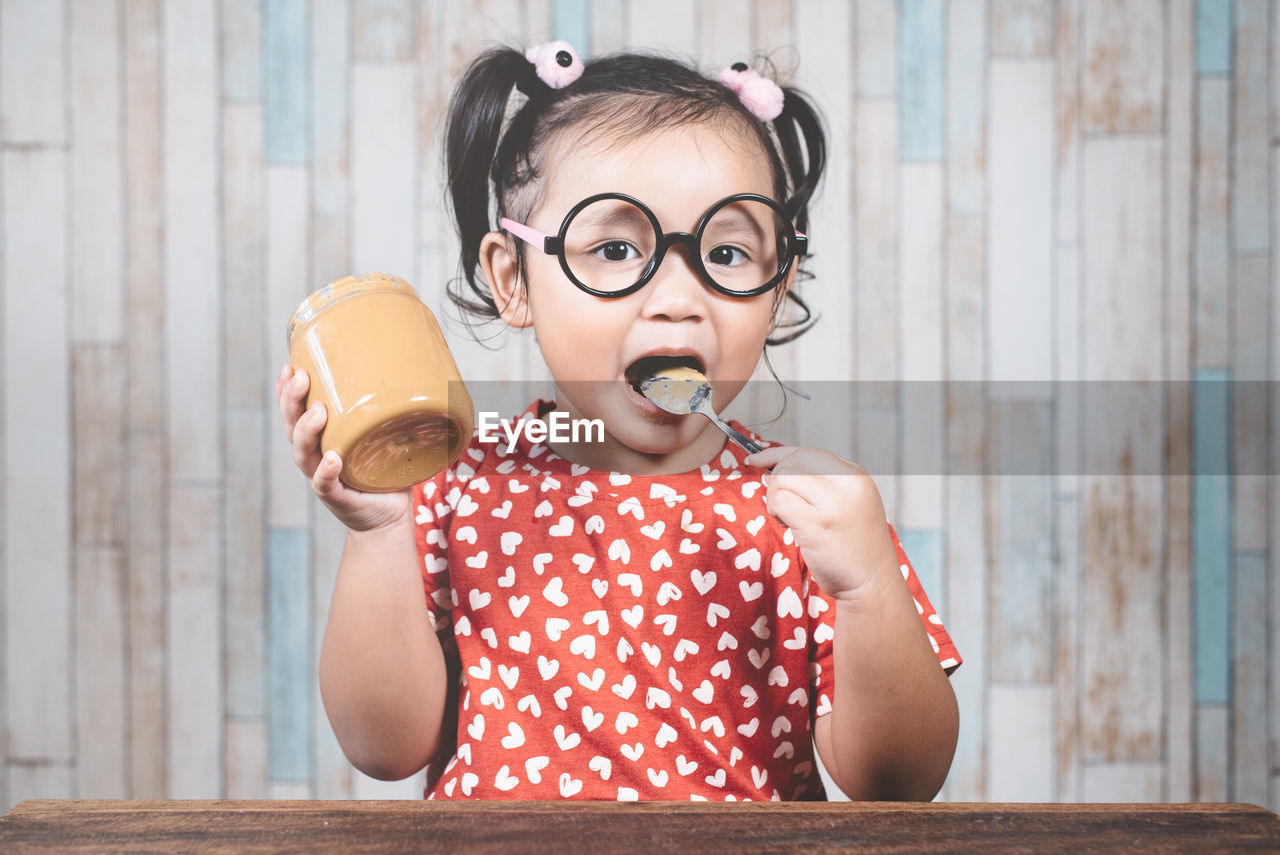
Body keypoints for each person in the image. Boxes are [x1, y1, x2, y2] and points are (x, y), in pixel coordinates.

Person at [277, 40, 960, 802]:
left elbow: (899, 784)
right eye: (614, 247)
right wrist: (376, 533)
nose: (678, 295)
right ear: (514, 279)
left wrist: (868, 587)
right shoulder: (459, 482)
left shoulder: (812, 514)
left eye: (728, 252)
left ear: (778, 285)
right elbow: (384, 747)